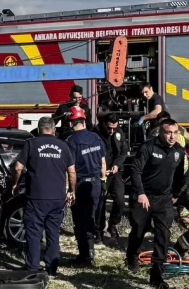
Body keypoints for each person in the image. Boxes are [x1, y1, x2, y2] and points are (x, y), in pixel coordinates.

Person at [125, 118, 189, 289]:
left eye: (175, 133)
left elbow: (184, 174)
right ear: (160, 132)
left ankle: (156, 274)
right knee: (139, 230)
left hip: (164, 200)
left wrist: (176, 194)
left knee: (163, 235)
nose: (172, 136)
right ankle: (131, 255)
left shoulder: (179, 151)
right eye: (168, 133)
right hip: (144, 197)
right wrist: (140, 193)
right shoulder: (148, 147)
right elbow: (135, 170)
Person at [9, 118, 75, 275]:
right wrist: (72, 190)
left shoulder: (31, 144)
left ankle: (32, 267)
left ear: (39, 129)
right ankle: (51, 268)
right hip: (57, 197)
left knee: (33, 232)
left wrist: (15, 184)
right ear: (53, 130)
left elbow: (18, 167)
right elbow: (72, 171)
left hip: (36, 196)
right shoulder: (63, 146)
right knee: (53, 232)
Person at [64, 106, 107, 267]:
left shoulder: (71, 140)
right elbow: (103, 163)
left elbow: (71, 168)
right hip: (96, 183)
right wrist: (102, 182)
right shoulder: (96, 137)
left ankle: (84, 256)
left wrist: (70, 190)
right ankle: (90, 252)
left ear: (71, 122)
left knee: (80, 221)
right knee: (91, 218)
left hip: (81, 184)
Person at [97, 113, 129, 238]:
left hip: (115, 172)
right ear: (104, 124)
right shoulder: (96, 132)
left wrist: (117, 165)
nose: (111, 131)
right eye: (109, 128)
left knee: (120, 201)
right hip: (100, 171)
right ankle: (99, 229)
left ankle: (113, 224)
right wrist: (101, 169)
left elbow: (123, 151)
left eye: (114, 128)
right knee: (100, 202)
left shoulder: (119, 132)